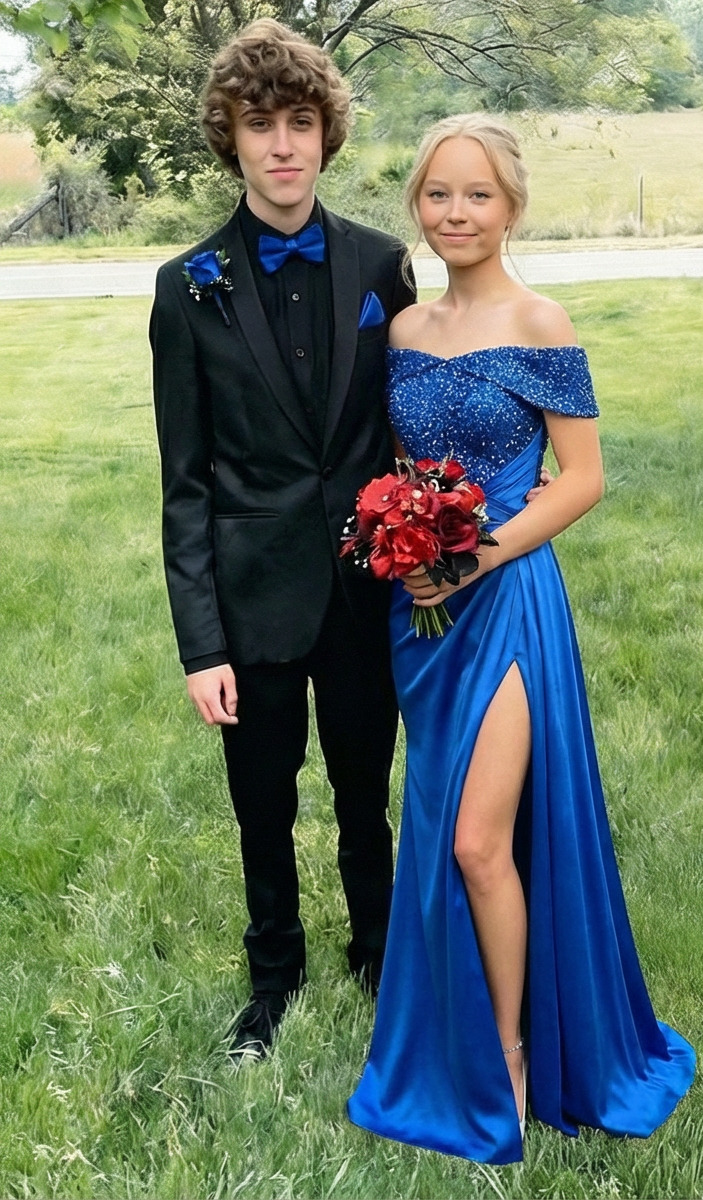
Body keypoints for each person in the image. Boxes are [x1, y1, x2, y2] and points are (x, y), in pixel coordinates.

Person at [346, 114, 696, 1164]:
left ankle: (511, 1053)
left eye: (478, 195)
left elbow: (581, 480)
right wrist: (406, 542)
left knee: (476, 841)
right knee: (442, 833)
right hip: (422, 614)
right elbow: (405, 470)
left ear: (511, 206)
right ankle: (458, 1036)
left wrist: (477, 556)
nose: (455, 213)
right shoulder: (404, 331)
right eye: (437, 194)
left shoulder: (541, 322)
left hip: (505, 599)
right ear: (416, 204)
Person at [149, 19, 415, 1061]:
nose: (283, 145)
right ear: (232, 137)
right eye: (260, 125)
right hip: (251, 595)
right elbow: (184, 483)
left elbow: (402, 425)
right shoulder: (188, 286)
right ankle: (272, 981)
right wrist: (200, 644)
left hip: (362, 587)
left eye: (300, 122)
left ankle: (380, 956)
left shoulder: (382, 265)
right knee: (262, 802)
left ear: (326, 132)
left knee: (364, 792)